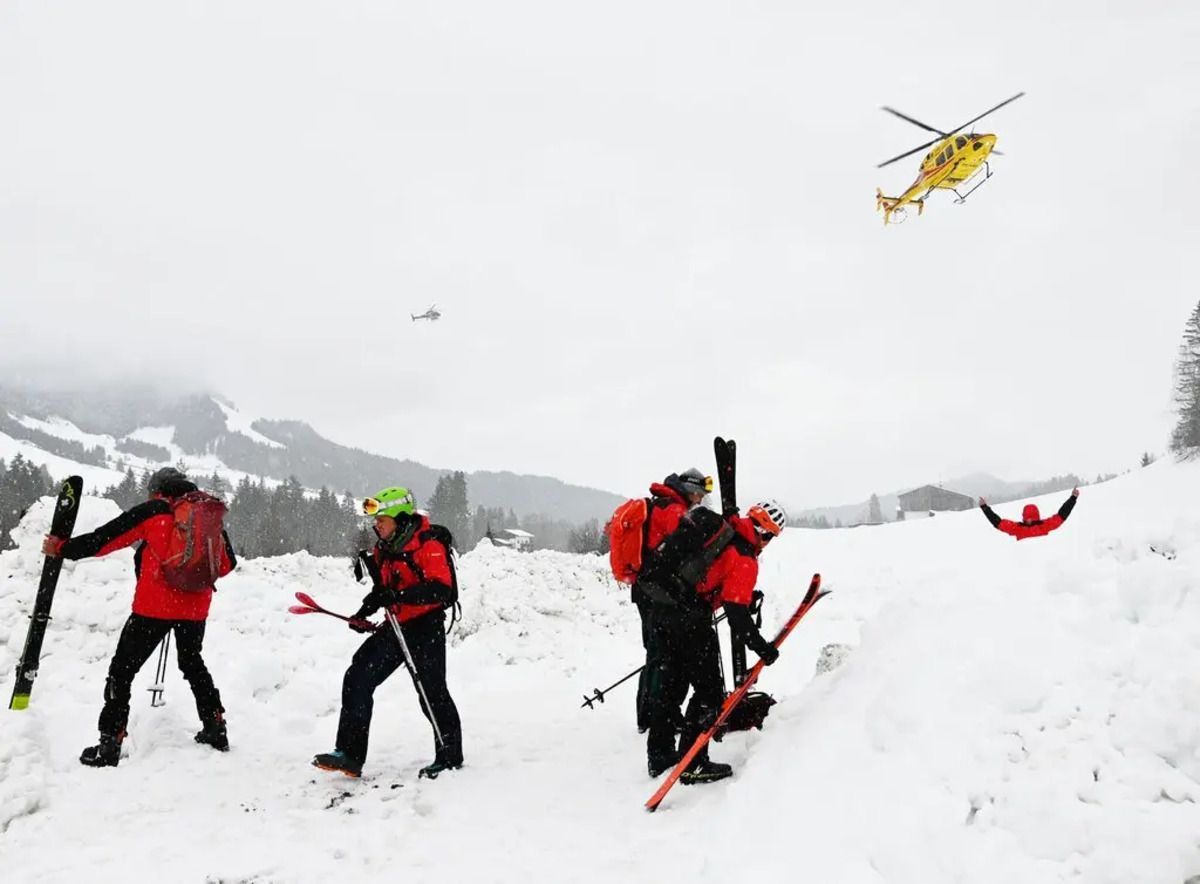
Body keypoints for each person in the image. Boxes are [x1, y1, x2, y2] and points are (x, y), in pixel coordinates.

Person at [42, 467, 236, 767]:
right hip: (196, 608)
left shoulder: (155, 511)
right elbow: (226, 565)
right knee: (192, 663)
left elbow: (105, 539)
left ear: (158, 490)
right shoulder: (205, 514)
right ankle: (215, 727)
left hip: (153, 609)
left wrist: (63, 548)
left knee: (122, 672)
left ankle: (109, 744)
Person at [312, 486, 463, 779]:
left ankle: (449, 756)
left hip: (426, 626)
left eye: (382, 520)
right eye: (375, 521)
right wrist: (363, 613)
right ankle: (350, 755)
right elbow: (382, 592)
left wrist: (399, 595)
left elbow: (441, 589)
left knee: (431, 692)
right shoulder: (386, 548)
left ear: (400, 518)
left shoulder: (428, 544)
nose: (375, 526)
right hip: (396, 626)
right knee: (358, 677)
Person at [641, 499, 786, 784]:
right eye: (770, 537)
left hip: (662, 608)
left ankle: (659, 755)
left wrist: (742, 598)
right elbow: (737, 616)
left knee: (672, 684)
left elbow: (714, 578)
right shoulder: (745, 557)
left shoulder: (726, 528)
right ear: (765, 534)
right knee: (709, 693)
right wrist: (763, 648)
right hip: (690, 621)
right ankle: (694, 764)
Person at [632, 468, 712, 733]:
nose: (699, 500)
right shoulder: (674, 511)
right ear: (689, 490)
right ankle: (654, 717)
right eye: (699, 494)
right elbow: (678, 552)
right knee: (660, 656)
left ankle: (651, 714)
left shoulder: (661, 504)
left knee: (656, 653)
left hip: (647, 589)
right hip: (657, 592)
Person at [979, 488, 1079, 540]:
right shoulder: (1017, 528)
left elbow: (1061, 516)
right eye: (1027, 517)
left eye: (1032, 517)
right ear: (1024, 517)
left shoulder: (1044, 526)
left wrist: (1072, 499)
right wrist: (985, 508)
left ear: (1036, 516)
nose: (1029, 520)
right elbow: (998, 523)